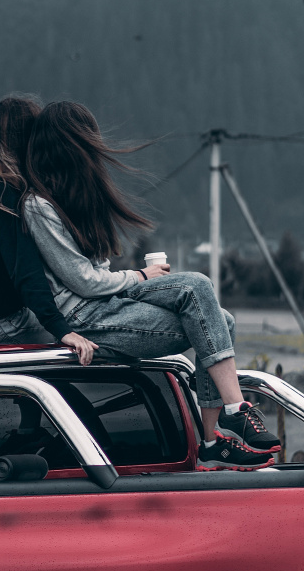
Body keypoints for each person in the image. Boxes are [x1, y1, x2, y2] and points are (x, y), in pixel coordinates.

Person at [24, 101, 280, 470]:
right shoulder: (38, 206)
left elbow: (96, 272)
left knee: (213, 311)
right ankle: (233, 410)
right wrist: (141, 277)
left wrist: (131, 279)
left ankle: (213, 437)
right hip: (84, 315)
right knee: (208, 308)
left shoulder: (75, 196)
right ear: (68, 145)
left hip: (106, 298)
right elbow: (80, 280)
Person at [0, 96, 96, 365]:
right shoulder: (5, 195)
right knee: (87, 331)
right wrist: (63, 331)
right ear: (29, 140)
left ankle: (29, 399)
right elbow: (26, 272)